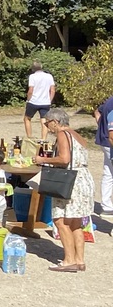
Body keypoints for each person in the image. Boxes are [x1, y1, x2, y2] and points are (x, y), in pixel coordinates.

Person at [41, 109, 94, 272]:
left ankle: (68, 260)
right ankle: (79, 260)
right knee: (76, 222)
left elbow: (64, 159)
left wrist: (43, 159)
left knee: (60, 220)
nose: (47, 127)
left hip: (70, 181)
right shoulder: (76, 135)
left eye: (47, 123)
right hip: (83, 178)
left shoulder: (62, 134)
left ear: (55, 122)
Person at [23, 62, 56, 140]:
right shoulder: (49, 76)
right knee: (44, 121)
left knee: (27, 118)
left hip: (33, 101)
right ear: (41, 67)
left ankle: (30, 137)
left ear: (33, 69)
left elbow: (30, 90)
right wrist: (49, 100)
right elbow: (52, 90)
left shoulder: (32, 76)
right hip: (45, 102)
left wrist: (28, 99)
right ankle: (43, 140)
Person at [95, 91, 113, 214]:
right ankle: (106, 205)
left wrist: (101, 126)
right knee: (109, 173)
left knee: (108, 173)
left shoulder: (109, 100)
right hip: (109, 141)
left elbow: (97, 111)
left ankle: (106, 205)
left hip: (104, 139)